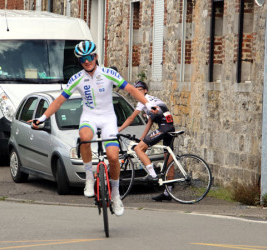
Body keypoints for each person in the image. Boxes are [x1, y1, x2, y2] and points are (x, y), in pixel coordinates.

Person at [32, 41, 153, 215]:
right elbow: (59, 101)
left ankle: (116, 195)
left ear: (96, 57)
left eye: (89, 57)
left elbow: (132, 90)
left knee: (112, 157)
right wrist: (42, 118)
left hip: (108, 118)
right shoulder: (77, 78)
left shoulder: (108, 73)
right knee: (85, 136)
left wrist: (148, 104)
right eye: (82, 59)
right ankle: (89, 178)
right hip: (89, 117)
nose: (86, 61)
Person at [118, 81, 175, 202]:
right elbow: (149, 123)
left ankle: (152, 175)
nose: (137, 92)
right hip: (169, 127)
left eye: (140, 89)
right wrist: (142, 139)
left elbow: (131, 118)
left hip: (164, 128)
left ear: (145, 90)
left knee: (139, 149)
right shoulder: (151, 100)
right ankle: (168, 192)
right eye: (136, 90)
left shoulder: (144, 101)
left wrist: (118, 130)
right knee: (168, 160)